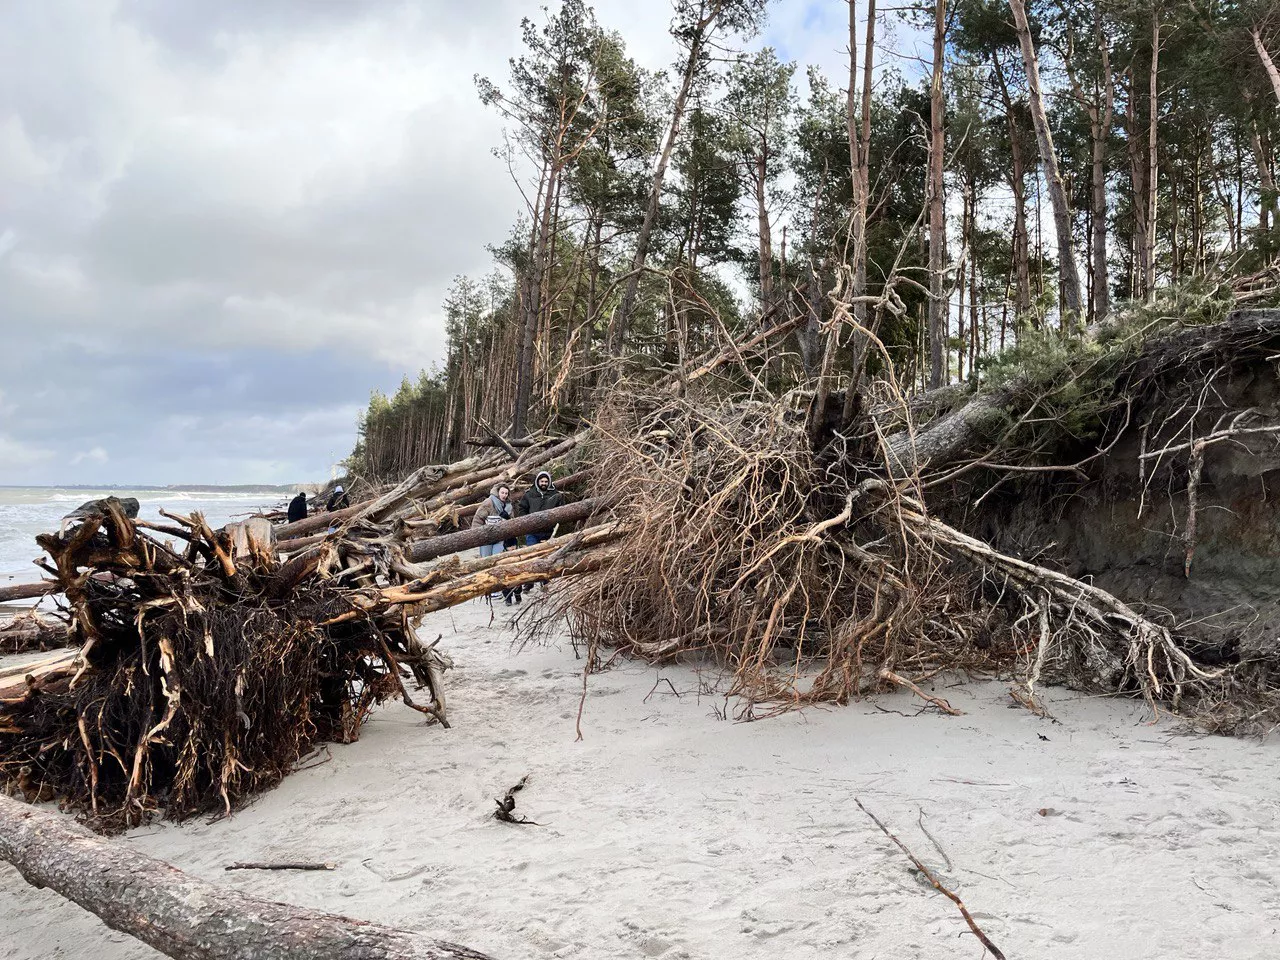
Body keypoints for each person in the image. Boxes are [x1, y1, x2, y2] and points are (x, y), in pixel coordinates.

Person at [472, 483, 521, 605]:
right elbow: (478, 519)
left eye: (506, 493)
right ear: (497, 492)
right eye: (502, 493)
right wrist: (478, 534)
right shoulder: (488, 502)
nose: (504, 495)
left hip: (500, 538)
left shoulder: (509, 506)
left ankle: (496, 589)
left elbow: (512, 522)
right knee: (485, 562)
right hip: (486, 538)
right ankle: (487, 588)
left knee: (497, 562)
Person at [516, 471, 564, 547]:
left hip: (549, 532)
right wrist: (527, 523)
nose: (544, 483)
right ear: (537, 481)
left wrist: (554, 525)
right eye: (542, 481)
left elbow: (561, 511)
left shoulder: (555, 495)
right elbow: (522, 508)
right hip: (532, 532)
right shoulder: (529, 494)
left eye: (546, 482)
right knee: (532, 553)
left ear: (549, 482)